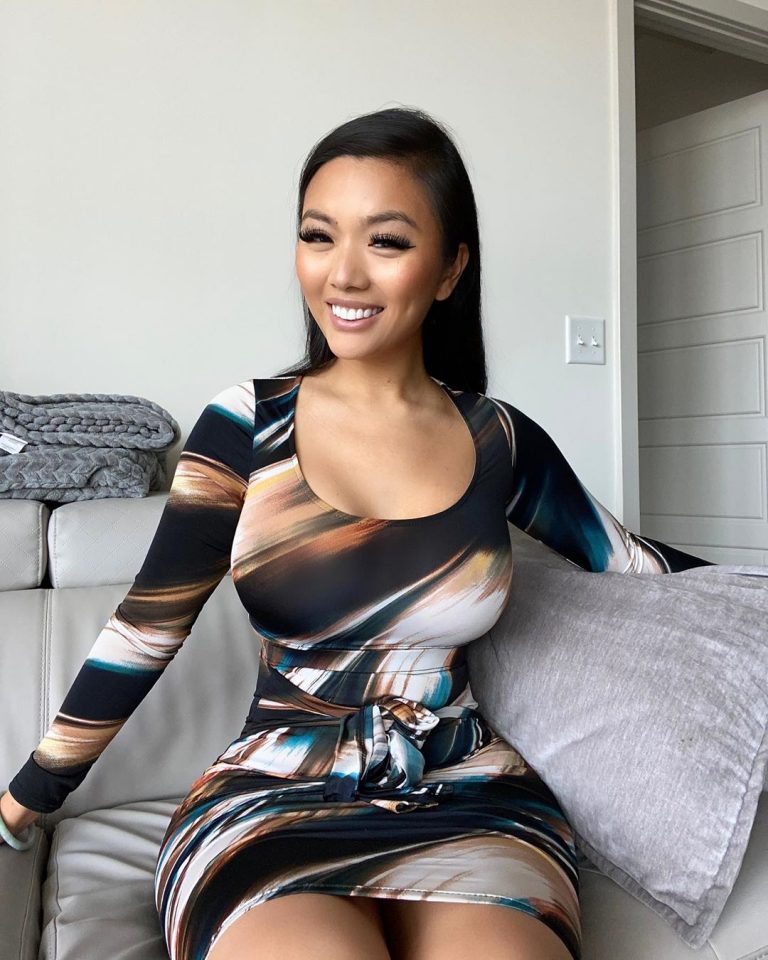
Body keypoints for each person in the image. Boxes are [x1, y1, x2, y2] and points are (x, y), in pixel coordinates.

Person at [1, 106, 714, 960]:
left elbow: (635, 564)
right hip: (273, 790)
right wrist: (25, 798)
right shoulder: (246, 425)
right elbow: (147, 627)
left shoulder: (500, 438)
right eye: (318, 235)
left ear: (450, 269)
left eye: (386, 241)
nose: (343, 273)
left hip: (469, 792)